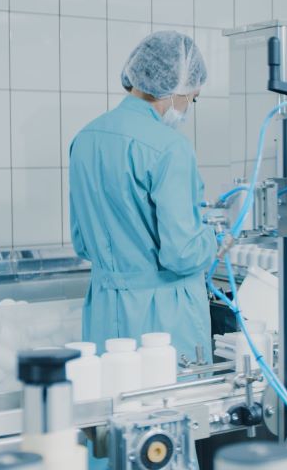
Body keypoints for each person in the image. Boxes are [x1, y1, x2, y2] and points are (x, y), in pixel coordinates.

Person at [69, 30, 217, 366]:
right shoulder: (170, 147)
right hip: (163, 323)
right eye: (192, 98)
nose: (187, 106)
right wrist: (215, 238)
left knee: (112, 411)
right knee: (171, 412)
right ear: (177, 87)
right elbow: (183, 254)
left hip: (105, 316)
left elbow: (82, 243)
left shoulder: (86, 138)